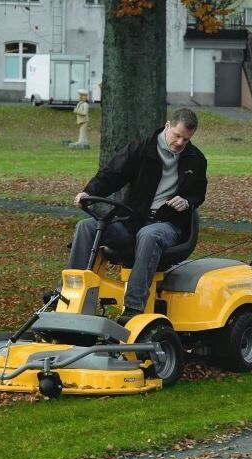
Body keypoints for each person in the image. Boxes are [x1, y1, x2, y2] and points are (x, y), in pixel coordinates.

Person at [67, 108, 207, 325]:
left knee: (149, 235)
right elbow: (112, 174)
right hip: (133, 220)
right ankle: (69, 294)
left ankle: (133, 307)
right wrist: (89, 192)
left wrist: (187, 201)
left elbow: (198, 193)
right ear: (168, 125)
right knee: (87, 226)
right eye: (177, 136)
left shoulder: (195, 159)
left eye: (186, 139)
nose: (180, 143)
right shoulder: (141, 149)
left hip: (167, 224)